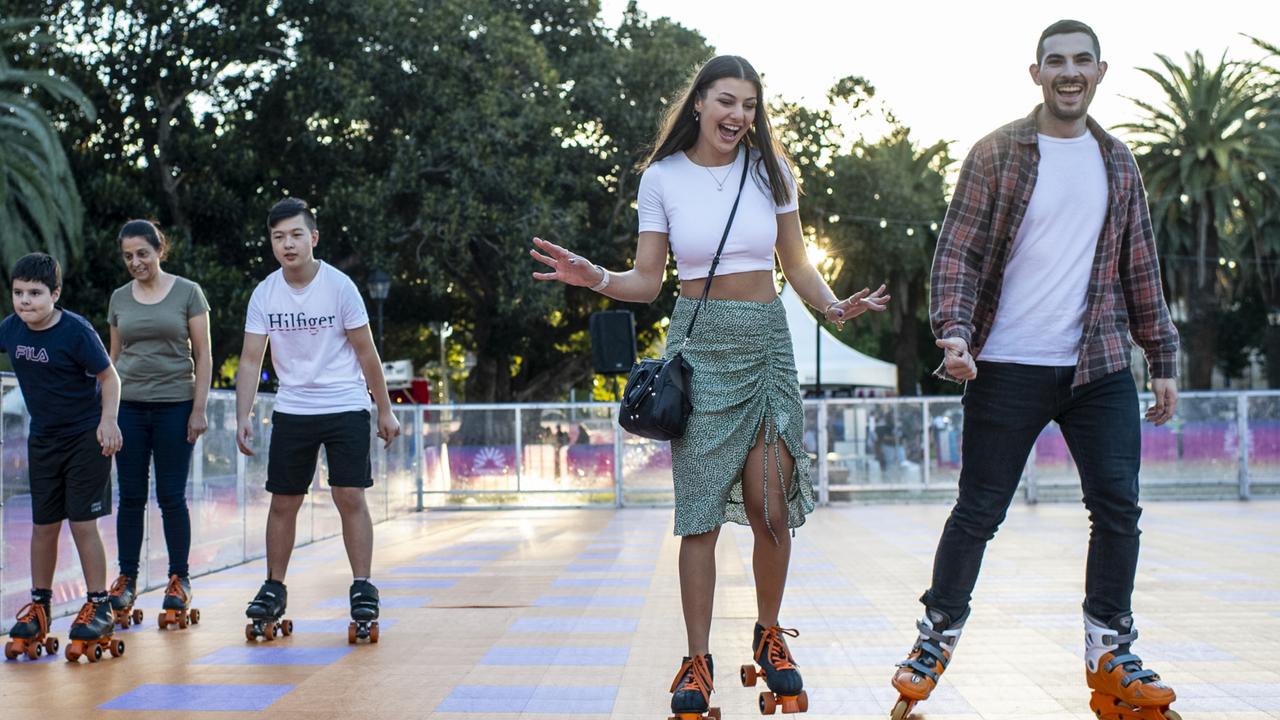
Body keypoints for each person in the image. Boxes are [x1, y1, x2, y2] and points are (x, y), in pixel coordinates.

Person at [531, 55, 888, 717]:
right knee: (698, 520)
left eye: (750, 105)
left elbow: (798, 264)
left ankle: (770, 634)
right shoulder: (661, 177)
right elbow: (646, 280)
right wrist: (595, 277)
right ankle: (697, 660)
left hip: (766, 345)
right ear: (698, 103)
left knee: (771, 507)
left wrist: (834, 306)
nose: (739, 116)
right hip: (699, 348)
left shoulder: (772, 171)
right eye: (727, 101)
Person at [889, 20, 1181, 720]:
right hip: (1007, 364)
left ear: (1101, 72)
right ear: (1036, 73)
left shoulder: (1119, 163)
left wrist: (1161, 358)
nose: (1069, 72)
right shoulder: (996, 155)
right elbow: (955, 254)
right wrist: (954, 334)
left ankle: (1110, 649)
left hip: (1099, 365)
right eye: (1057, 62)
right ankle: (935, 638)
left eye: (1082, 61)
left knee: (1118, 507)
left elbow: (1140, 264)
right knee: (978, 513)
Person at [235, 198, 401, 640]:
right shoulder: (265, 292)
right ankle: (274, 587)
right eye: (278, 237)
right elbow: (251, 360)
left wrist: (384, 408)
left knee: (349, 495)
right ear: (271, 243)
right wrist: (243, 414)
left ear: (313, 237)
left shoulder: (339, 286)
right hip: (292, 408)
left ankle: (363, 586)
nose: (287, 244)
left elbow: (367, 352)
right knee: (284, 501)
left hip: (345, 403)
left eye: (295, 235)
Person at [1, 253, 124, 661]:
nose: (25, 301)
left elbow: (110, 377)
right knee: (43, 525)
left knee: (83, 523)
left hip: (85, 439)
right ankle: (40, 605)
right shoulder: (12, 329)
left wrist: (109, 423)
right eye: (18, 293)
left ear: (55, 294)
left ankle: (99, 603)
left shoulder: (75, 332)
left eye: (35, 294)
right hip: (44, 441)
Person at [106, 220, 211, 630]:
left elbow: (203, 355)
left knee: (170, 496)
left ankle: (178, 579)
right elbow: (112, 362)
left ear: (159, 249)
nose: (136, 262)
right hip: (129, 408)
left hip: (175, 406)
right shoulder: (118, 298)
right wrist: (108, 415)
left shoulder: (188, 292)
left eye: (142, 253)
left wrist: (198, 408)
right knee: (130, 497)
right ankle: (126, 580)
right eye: (128, 256)